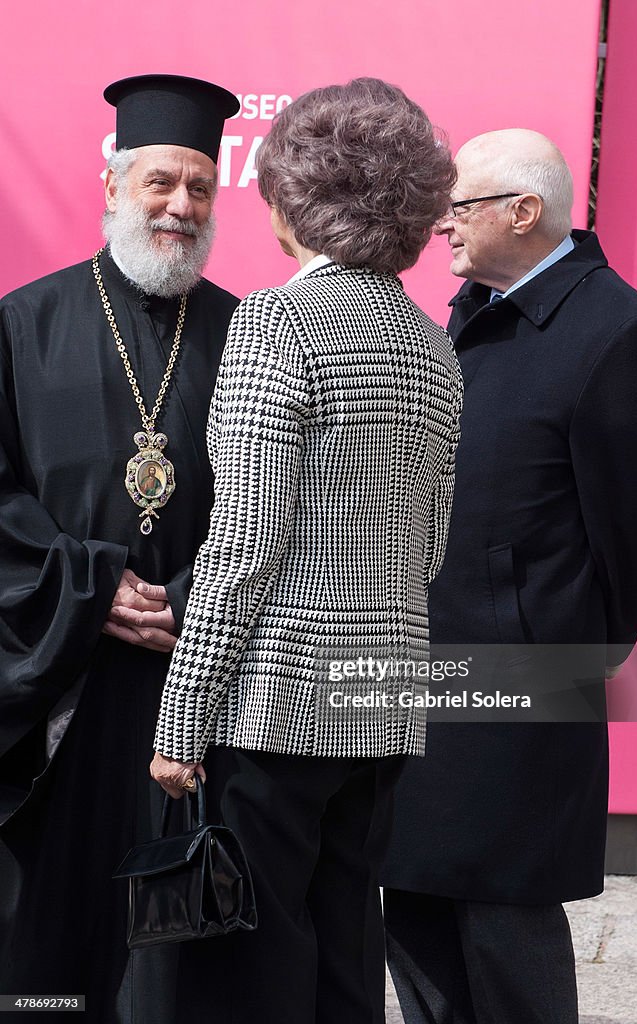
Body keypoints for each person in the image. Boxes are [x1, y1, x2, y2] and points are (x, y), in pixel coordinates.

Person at [148, 77, 463, 1024]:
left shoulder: (277, 324)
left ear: (293, 200)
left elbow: (244, 544)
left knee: (256, 963)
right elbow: (431, 547)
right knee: (346, 947)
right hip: (384, 698)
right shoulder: (432, 345)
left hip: (277, 702)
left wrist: (180, 717)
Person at [381, 129, 637, 1024]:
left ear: (524, 211)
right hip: (424, 663)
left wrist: (561, 640)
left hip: (523, 677)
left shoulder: (616, 329)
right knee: (416, 906)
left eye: (460, 207)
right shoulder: (471, 310)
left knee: (503, 923)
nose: (444, 225)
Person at [0, 75, 240, 1022]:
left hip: (194, 675)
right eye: (159, 184)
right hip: (59, 682)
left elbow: (276, 500)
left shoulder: (242, 330)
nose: (180, 206)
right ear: (112, 187)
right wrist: (91, 588)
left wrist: (187, 591)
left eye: (199, 188)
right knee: (48, 946)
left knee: (171, 953)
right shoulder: (25, 324)